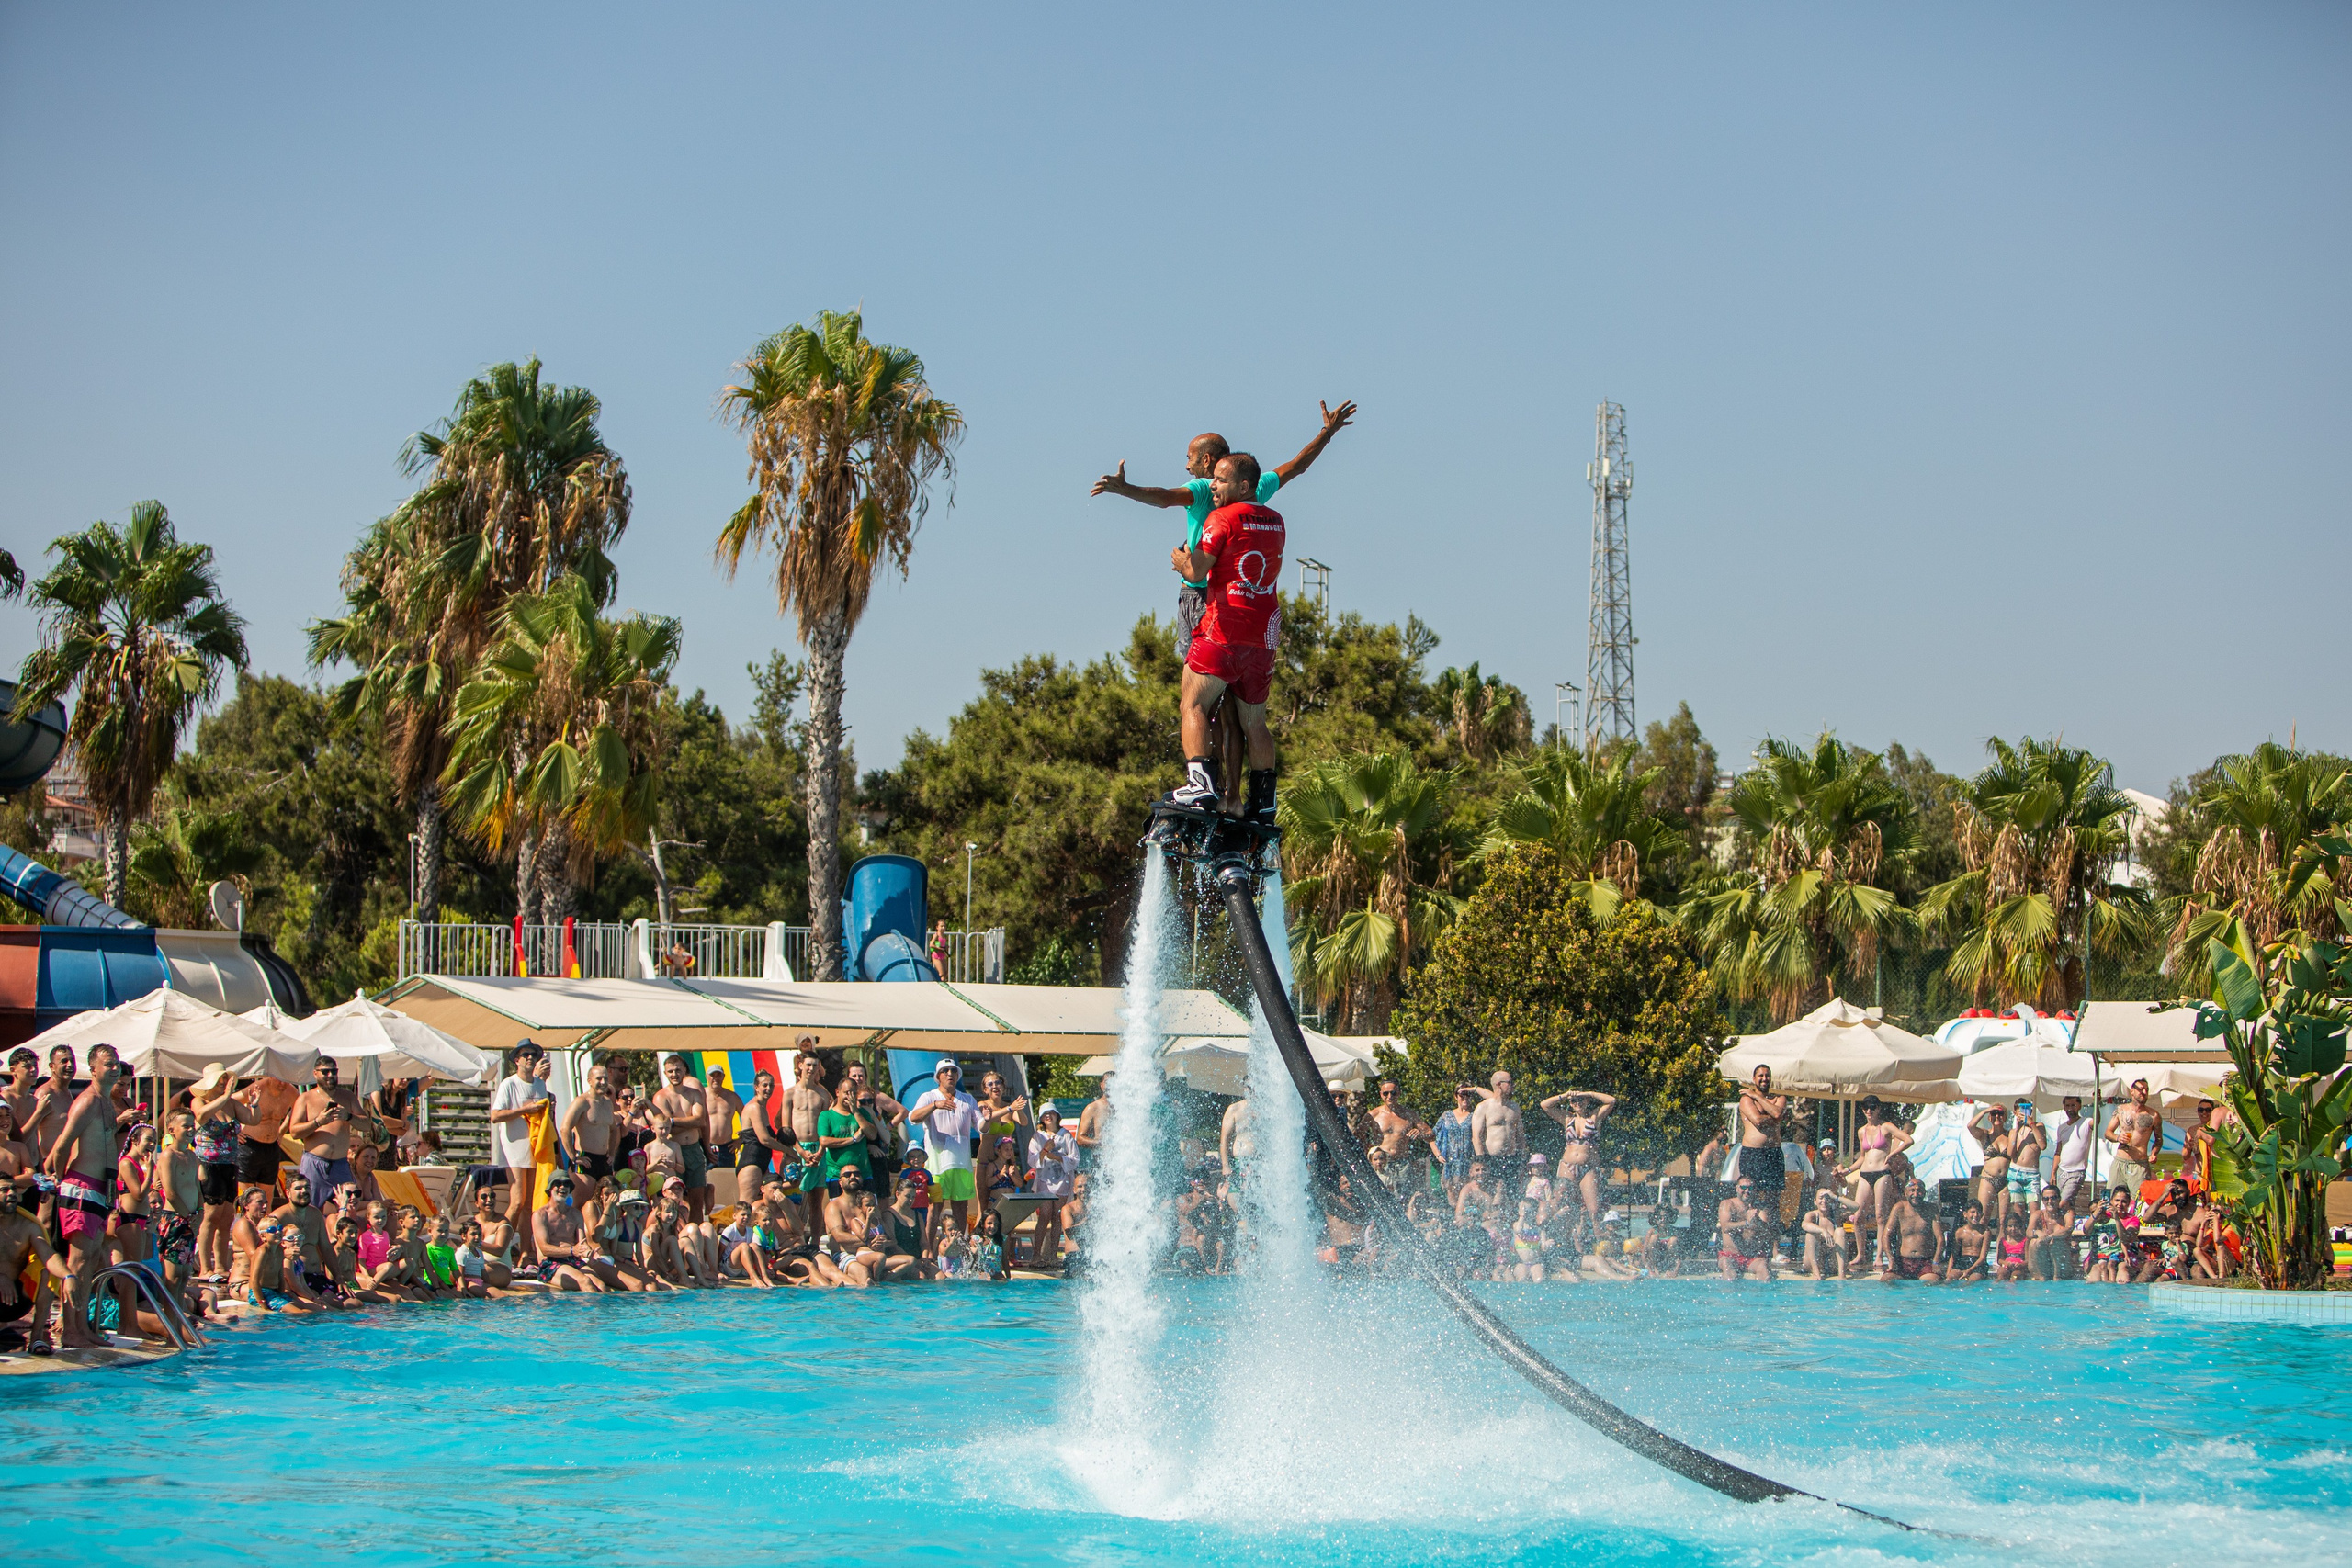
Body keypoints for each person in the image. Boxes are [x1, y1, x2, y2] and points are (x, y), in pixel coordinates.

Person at [1091, 400, 1353, 663]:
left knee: (1197, 672)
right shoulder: (1250, 487)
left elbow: (1166, 498)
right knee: (1230, 670)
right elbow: (1297, 465)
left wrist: (1126, 489)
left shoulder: (1204, 487)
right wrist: (1327, 433)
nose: (1187, 466)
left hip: (1201, 591)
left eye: (1189, 458)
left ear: (1206, 460)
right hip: (1239, 595)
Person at [1159, 451, 1287, 819]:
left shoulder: (1221, 518)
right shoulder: (1276, 521)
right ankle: (1264, 802)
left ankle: (1201, 787)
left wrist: (1179, 560)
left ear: (1243, 485)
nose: (1212, 486)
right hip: (1263, 638)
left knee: (1194, 704)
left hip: (1222, 632)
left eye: (1220, 480)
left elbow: (1197, 572)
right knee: (1254, 722)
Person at [45, 1041, 128, 1348]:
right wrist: (58, 1179)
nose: (114, 1066)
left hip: (100, 1190)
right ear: (92, 1069)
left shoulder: (106, 1103)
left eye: (116, 1061)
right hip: (80, 1189)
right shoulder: (88, 1101)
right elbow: (63, 1144)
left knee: (92, 1260)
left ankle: (83, 1328)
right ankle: (70, 1331)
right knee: (77, 1264)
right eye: (108, 1062)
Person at [488, 1041, 553, 1258]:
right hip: (514, 1147)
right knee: (516, 1202)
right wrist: (524, 1110)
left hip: (535, 1147)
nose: (531, 1058)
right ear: (517, 1059)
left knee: (530, 1205)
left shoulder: (539, 1085)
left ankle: (526, 1252)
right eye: (526, 1055)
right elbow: (496, 1116)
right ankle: (499, 1248)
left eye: (534, 1055)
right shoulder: (509, 1084)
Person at [907, 1058, 982, 1233]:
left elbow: (981, 1126)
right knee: (934, 1209)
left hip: (962, 1165)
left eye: (953, 1071)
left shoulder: (967, 1099)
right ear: (938, 1076)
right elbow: (913, 1118)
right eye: (945, 1071)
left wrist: (992, 1116)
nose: (950, 1074)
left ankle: (959, 1251)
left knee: (961, 1210)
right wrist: (935, 1106)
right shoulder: (929, 1096)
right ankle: (929, 1254)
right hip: (937, 1165)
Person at [1539, 1087, 1618, 1247]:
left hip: (1588, 1167)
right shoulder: (1568, 1119)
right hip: (1568, 1165)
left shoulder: (1595, 1116)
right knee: (1565, 1206)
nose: (1577, 1103)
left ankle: (1601, 1247)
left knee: (1594, 1210)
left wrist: (1589, 1093)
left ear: (1587, 1101)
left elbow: (1612, 1101)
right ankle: (1565, 1243)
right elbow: (1545, 1105)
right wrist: (1564, 1095)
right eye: (1574, 1101)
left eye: (1580, 1099)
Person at [287, 1057, 363, 1213]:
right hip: (314, 1163)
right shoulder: (305, 1099)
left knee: (348, 1207)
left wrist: (348, 1116)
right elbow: (294, 1131)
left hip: (340, 1164)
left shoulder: (347, 1097)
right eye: (325, 1072)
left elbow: (367, 1124)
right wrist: (317, 1122)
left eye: (333, 1071)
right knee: (309, 1209)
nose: (330, 1075)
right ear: (315, 1074)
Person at [1845, 1095, 1911, 1264]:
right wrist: (1846, 1170)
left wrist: (1893, 1154)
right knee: (1858, 1215)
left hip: (1882, 1172)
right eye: (1866, 1107)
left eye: (1872, 1107)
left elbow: (1908, 1140)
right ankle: (1861, 1254)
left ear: (1878, 1109)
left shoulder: (1886, 1127)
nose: (1869, 1110)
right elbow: (1862, 1158)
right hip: (1865, 1173)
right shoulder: (1862, 1131)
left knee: (1880, 1216)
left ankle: (1880, 1256)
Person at [650, 1053, 713, 1222]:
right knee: (672, 1199)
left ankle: (696, 1234)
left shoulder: (694, 1093)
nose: (674, 1074)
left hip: (693, 1148)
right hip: (672, 1150)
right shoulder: (661, 1097)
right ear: (665, 1073)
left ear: (685, 1070)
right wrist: (683, 1122)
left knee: (696, 1199)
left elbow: (700, 1120)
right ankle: (675, 1234)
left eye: (678, 1070)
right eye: (670, 1071)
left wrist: (673, 1120)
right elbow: (665, 1129)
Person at [531, 1174, 613, 1292]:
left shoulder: (575, 1214)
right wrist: (572, 1250)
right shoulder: (540, 1215)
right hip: (550, 1263)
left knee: (602, 1286)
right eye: (558, 1184)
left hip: (573, 1260)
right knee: (586, 1282)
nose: (563, 1187)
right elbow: (544, 1248)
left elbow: (582, 1243)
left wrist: (589, 1254)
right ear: (550, 1188)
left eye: (567, 1184)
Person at [558, 1061, 621, 1210]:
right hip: (586, 1160)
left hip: (603, 1160)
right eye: (599, 1079)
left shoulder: (607, 1103)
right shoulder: (582, 1102)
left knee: (605, 1205)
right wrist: (573, 1156)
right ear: (589, 1081)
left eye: (605, 1078)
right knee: (581, 1204)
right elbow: (564, 1129)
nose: (603, 1082)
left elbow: (614, 1129)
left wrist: (612, 1152)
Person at [153, 1111, 202, 1292]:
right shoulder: (168, 1156)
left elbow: (197, 1188)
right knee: (173, 1277)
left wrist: (201, 1212)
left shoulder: (191, 1156)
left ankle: (180, 1317)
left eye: (192, 1126)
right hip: (175, 1219)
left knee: (183, 1277)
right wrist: (190, 1218)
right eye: (186, 1126)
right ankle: (169, 1317)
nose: (191, 1129)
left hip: (191, 1220)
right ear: (172, 1130)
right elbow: (171, 1192)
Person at [1469, 1071, 1529, 1203]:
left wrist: (1522, 1158)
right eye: (1510, 1082)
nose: (1513, 1085)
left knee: (1512, 1197)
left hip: (1512, 1159)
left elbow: (1520, 1136)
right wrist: (1482, 1161)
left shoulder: (1514, 1107)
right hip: (1491, 1159)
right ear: (1498, 1084)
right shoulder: (1483, 1107)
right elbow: (1476, 1137)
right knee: (1493, 1195)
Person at [1028, 1106, 1078, 1267]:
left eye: (1051, 1113)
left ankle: (1052, 1255)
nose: (1048, 1117)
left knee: (1057, 1218)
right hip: (1045, 1181)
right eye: (1045, 1114)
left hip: (1062, 1181)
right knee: (1044, 1216)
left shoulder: (1066, 1136)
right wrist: (1044, 1151)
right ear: (1042, 1119)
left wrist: (1056, 1157)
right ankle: (1036, 1255)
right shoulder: (1038, 1136)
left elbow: (1074, 1159)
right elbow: (1032, 1159)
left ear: (1057, 1116)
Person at [1369, 1080, 1435, 1196]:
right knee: (1382, 1196)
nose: (1390, 1097)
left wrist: (1420, 1133)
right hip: (1382, 1163)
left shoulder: (1408, 1115)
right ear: (1381, 1094)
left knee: (1404, 1198)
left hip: (1402, 1163)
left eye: (1393, 1093)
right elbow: (1357, 1135)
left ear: (1399, 1093)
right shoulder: (1374, 1115)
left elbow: (1431, 1134)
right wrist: (1369, 1153)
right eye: (1386, 1093)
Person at [1879, 1179, 1945, 1283]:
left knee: (1934, 1281)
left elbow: (1940, 1238)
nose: (1915, 1194)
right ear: (1906, 1193)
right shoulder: (1899, 1209)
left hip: (1925, 1262)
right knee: (1886, 1280)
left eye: (1919, 1191)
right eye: (1912, 1190)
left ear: (1924, 1193)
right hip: (1903, 1261)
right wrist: (1891, 1259)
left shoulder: (1931, 1209)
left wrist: (1936, 1262)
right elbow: (1885, 1236)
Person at [2104, 1078, 2160, 1200]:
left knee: (2139, 1201)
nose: (2144, 1092)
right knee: (2111, 1199)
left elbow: (2159, 1139)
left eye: (2146, 1089)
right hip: (2120, 1161)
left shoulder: (2153, 1115)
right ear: (2132, 1092)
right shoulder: (2121, 1110)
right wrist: (2118, 1137)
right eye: (2141, 1089)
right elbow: (2108, 1133)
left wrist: (2154, 1153)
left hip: (2139, 1164)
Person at [1715, 1177, 1771, 1280]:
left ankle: (1761, 1296)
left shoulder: (1760, 1207)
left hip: (1753, 1257)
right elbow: (1725, 1227)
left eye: (1750, 1188)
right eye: (1743, 1187)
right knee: (1727, 1268)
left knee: (1764, 1271)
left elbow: (1766, 1230)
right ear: (1737, 1188)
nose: (1747, 1191)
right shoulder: (1727, 1204)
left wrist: (1756, 1220)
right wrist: (1746, 1223)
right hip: (1730, 1255)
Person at [1969, 1103, 2016, 1227]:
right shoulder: (1985, 1134)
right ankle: (1981, 1246)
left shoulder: (2010, 1134)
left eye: (2000, 1114)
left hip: (2005, 1180)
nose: (1997, 1116)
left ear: (2005, 1117)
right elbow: (1970, 1126)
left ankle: (2001, 1247)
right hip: (1988, 1179)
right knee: (1982, 1217)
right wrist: (1985, 1111)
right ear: (1989, 1117)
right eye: (1993, 1113)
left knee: (2003, 1220)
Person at [2050, 1093, 2098, 1210]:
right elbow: (2058, 1151)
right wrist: (2053, 1174)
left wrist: (2096, 1103)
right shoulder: (2061, 1128)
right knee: (2061, 1204)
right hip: (2062, 1171)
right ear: (2064, 1107)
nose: (2070, 1109)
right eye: (2068, 1106)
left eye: (2073, 1105)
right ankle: (2067, 1225)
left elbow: (2096, 1122)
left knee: (2063, 1203)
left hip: (2077, 1171)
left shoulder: (2086, 1122)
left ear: (2079, 1106)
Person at [1431, 1087, 1477, 1198]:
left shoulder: (1476, 1115)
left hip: (1469, 1163)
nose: (1465, 1098)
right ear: (1456, 1096)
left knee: (1468, 1197)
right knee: (1452, 1200)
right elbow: (1431, 1136)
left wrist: (1476, 1088)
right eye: (1462, 1095)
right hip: (1450, 1164)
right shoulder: (1446, 1116)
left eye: (1468, 1095)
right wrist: (1437, 1154)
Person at [1799, 1190, 1848, 1280]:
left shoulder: (1835, 1215)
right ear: (1815, 1201)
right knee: (1810, 1234)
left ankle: (1842, 1274)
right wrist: (1822, 1230)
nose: (1824, 1201)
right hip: (1814, 1263)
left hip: (1832, 1263)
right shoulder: (1812, 1215)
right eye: (1821, 1198)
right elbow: (1804, 1225)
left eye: (1827, 1198)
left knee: (1840, 1231)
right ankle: (1816, 1273)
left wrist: (1835, 1197)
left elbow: (1856, 1207)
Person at [1946, 1199, 1992, 1283]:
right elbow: (1954, 1256)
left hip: (1978, 1264)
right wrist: (1948, 1273)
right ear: (1965, 1214)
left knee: (1973, 1280)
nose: (1976, 1215)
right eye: (1973, 1212)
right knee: (1949, 1279)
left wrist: (1968, 1271)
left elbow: (1982, 1258)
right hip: (1963, 1261)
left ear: (1982, 1215)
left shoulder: (1985, 1232)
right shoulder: (1960, 1232)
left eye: (1978, 1212)